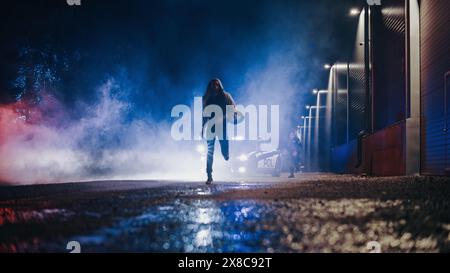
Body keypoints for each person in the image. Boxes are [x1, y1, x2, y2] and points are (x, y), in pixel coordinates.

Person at [201, 78, 237, 185]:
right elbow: (204, 114)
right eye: (213, 85)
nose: (215, 86)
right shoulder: (207, 98)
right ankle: (209, 175)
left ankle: (226, 153)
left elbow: (233, 107)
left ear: (219, 85)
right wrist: (202, 127)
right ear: (210, 86)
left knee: (225, 146)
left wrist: (230, 116)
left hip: (222, 127)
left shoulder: (226, 96)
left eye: (216, 84)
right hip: (211, 128)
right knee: (210, 152)